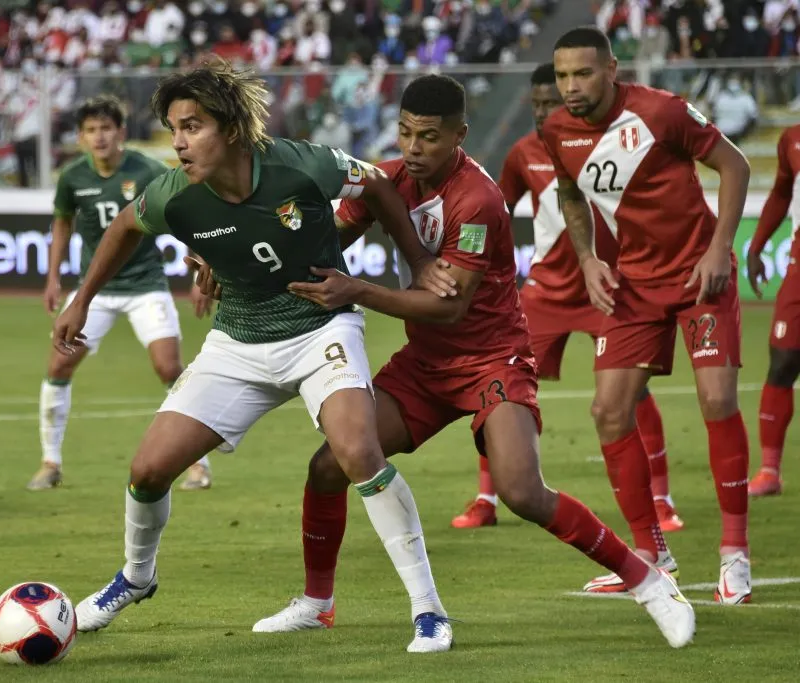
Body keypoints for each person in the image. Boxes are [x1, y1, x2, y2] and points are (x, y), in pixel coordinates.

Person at [249, 73, 695, 649]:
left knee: (522, 491)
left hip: (492, 361)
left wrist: (356, 290)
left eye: (429, 137)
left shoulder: (476, 199)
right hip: (425, 366)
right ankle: (317, 603)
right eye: (405, 133)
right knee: (329, 466)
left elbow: (450, 307)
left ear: (459, 135)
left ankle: (650, 582)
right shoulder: (388, 179)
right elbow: (321, 241)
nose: (413, 148)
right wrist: (237, 263)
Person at [52, 61, 460, 653]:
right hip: (237, 342)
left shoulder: (302, 164)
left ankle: (429, 610)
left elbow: (375, 183)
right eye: (174, 128)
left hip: (320, 329)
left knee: (358, 452)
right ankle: (136, 577)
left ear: (232, 128)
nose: (179, 142)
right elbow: (123, 228)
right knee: (147, 470)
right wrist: (81, 300)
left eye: (192, 126)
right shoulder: (175, 193)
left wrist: (419, 260)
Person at [543, 27, 753, 603]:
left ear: (612, 69)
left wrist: (720, 248)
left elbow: (735, 166)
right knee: (609, 412)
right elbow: (569, 193)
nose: (570, 86)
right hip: (633, 284)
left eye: (583, 73)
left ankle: (735, 554)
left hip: (699, 275)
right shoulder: (556, 130)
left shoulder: (663, 112)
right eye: (562, 75)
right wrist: (588, 258)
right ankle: (650, 556)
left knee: (717, 400)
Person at [452, 63, 685, 541]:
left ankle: (662, 500)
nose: (542, 113)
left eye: (550, 104)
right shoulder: (523, 153)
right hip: (546, 293)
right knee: (498, 387)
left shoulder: (616, 144)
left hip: (610, 290)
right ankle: (487, 499)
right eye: (536, 105)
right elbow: (493, 211)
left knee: (633, 395)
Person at [29, 94, 214, 492]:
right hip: (94, 290)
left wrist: (200, 268)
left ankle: (198, 463)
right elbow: (62, 223)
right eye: (91, 130)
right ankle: (50, 462)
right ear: (80, 137)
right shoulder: (73, 177)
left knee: (169, 368)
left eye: (106, 129)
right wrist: (53, 277)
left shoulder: (147, 170)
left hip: (145, 285)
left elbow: (186, 212)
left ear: (121, 133)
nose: (99, 137)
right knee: (58, 366)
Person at [745, 123, 800, 497]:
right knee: (783, 358)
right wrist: (756, 246)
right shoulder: (791, 139)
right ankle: (769, 472)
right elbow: (781, 192)